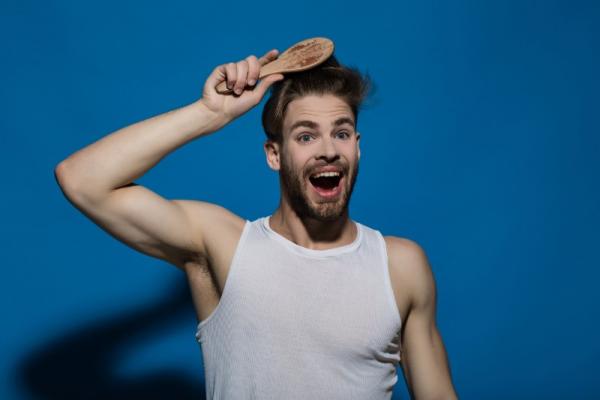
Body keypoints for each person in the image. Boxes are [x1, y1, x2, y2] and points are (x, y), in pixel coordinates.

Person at [55, 47, 458, 400]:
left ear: (357, 146)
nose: (329, 150)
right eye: (305, 137)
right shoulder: (223, 244)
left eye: (342, 132)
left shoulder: (401, 266)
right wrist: (209, 113)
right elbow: (82, 179)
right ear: (274, 154)